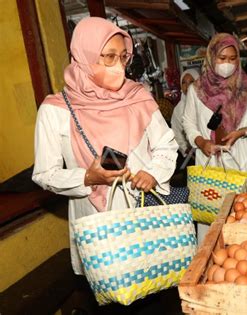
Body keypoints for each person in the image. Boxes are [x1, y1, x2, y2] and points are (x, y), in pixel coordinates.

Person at [32, 17, 178, 275]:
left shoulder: (138, 96)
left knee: (157, 280)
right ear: (83, 55)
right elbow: (45, 173)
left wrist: (153, 173)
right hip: (97, 223)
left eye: (123, 57)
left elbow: (166, 145)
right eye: (108, 57)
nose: (118, 66)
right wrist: (88, 177)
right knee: (112, 288)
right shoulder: (55, 110)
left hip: (147, 212)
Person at [182, 33, 247, 243]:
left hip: (244, 157)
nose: (227, 64)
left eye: (232, 59)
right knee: (213, 219)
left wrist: (243, 131)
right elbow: (188, 122)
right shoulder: (197, 89)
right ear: (212, 58)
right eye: (222, 59)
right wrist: (201, 142)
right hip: (211, 161)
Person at [171, 68, 200, 156]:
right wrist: (185, 149)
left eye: (191, 82)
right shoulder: (178, 109)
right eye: (184, 83)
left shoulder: (206, 103)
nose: (188, 87)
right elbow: (176, 132)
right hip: (193, 153)